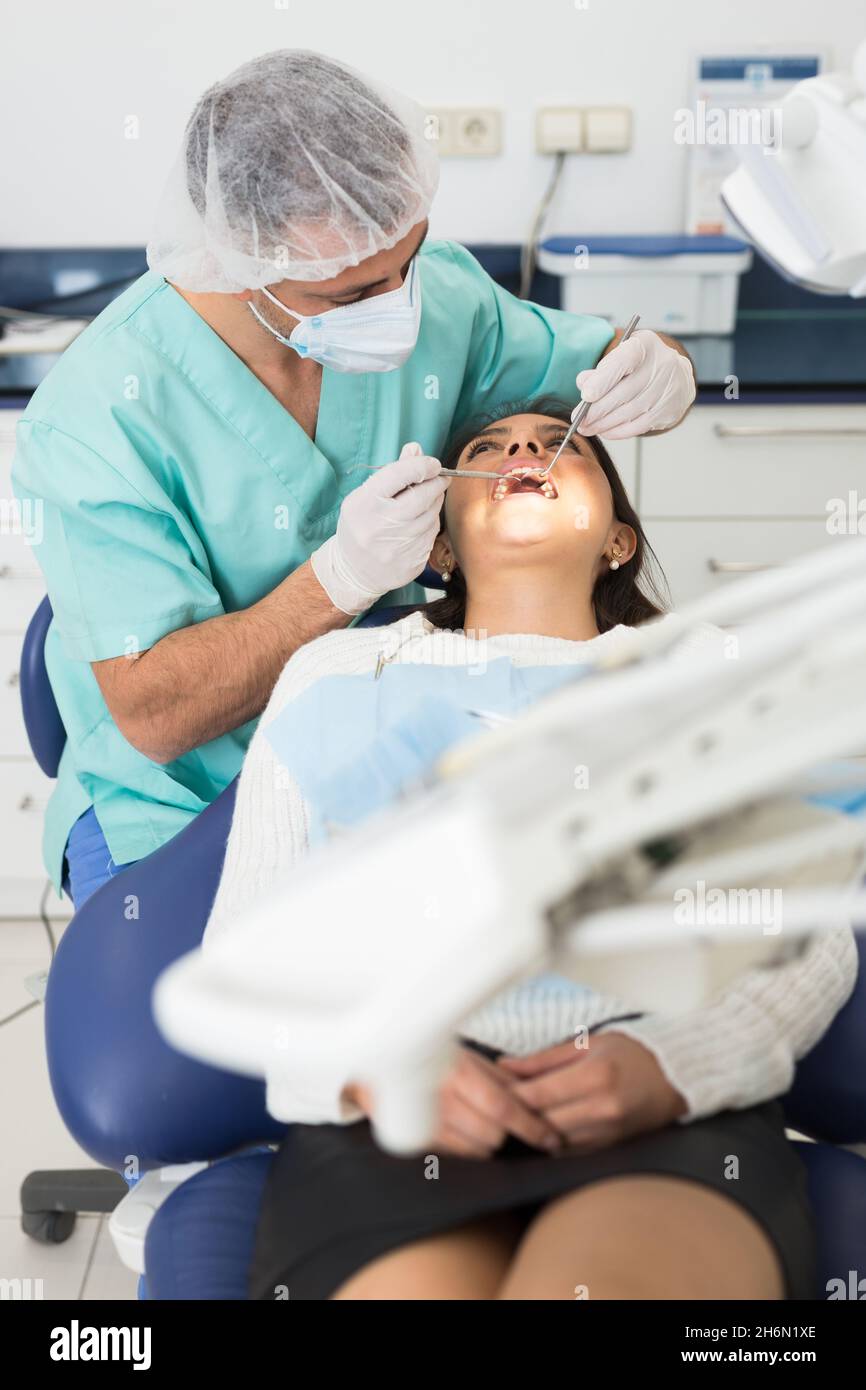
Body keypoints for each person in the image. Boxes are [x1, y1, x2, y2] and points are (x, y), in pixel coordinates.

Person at [203, 400, 857, 1302]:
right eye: (491, 448)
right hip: (396, 1113)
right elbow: (251, 943)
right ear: (439, 545)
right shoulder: (339, 676)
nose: (523, 451)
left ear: (619, 542)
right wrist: (376, 1068)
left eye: (564, 447)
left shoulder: (710, 674)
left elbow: (803, 929)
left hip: (657, 1101)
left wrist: (680, 1065)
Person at [12, 49, 695, 910]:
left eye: (409, 255)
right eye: (354, 291)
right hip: (182, 803)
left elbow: (605, 362)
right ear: (242, 261)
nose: (403, 301)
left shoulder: (436, 292)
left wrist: (665, 368)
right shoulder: (99, 416)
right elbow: (157, 717)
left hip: (404, 766)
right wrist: (342, 580)